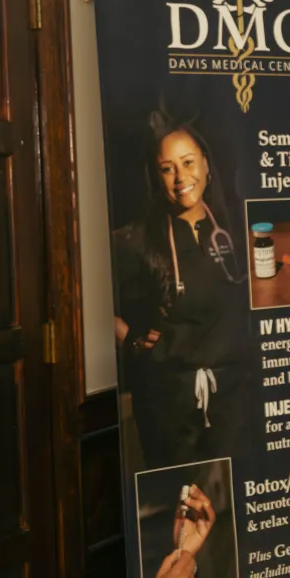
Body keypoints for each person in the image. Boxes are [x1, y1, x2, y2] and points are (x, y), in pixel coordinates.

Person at [113, 111, 255, 469]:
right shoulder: (136, 241)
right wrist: (130, 338)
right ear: (156, 176)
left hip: (235, 402)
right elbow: (87, 300)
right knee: (180, 507)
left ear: (206, 164)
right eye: (167, 168)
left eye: (188, 162)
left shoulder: (239, 231)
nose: (180, 178)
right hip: (168, 408)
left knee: (237, 505)